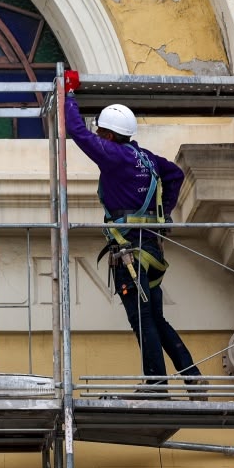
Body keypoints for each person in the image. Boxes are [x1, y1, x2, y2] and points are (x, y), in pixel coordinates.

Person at [64, 90, 205, 397]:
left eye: (101, 132)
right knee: (155, 316)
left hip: (128, 250)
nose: (98, 136)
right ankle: (191, 374)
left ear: (111, 135)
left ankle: (156, 384)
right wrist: (164, 212)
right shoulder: (147, 158)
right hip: (150, 248)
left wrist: (68, 95)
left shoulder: (114, 156)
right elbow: (176, 174)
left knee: (141, 318)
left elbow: (75, 131)